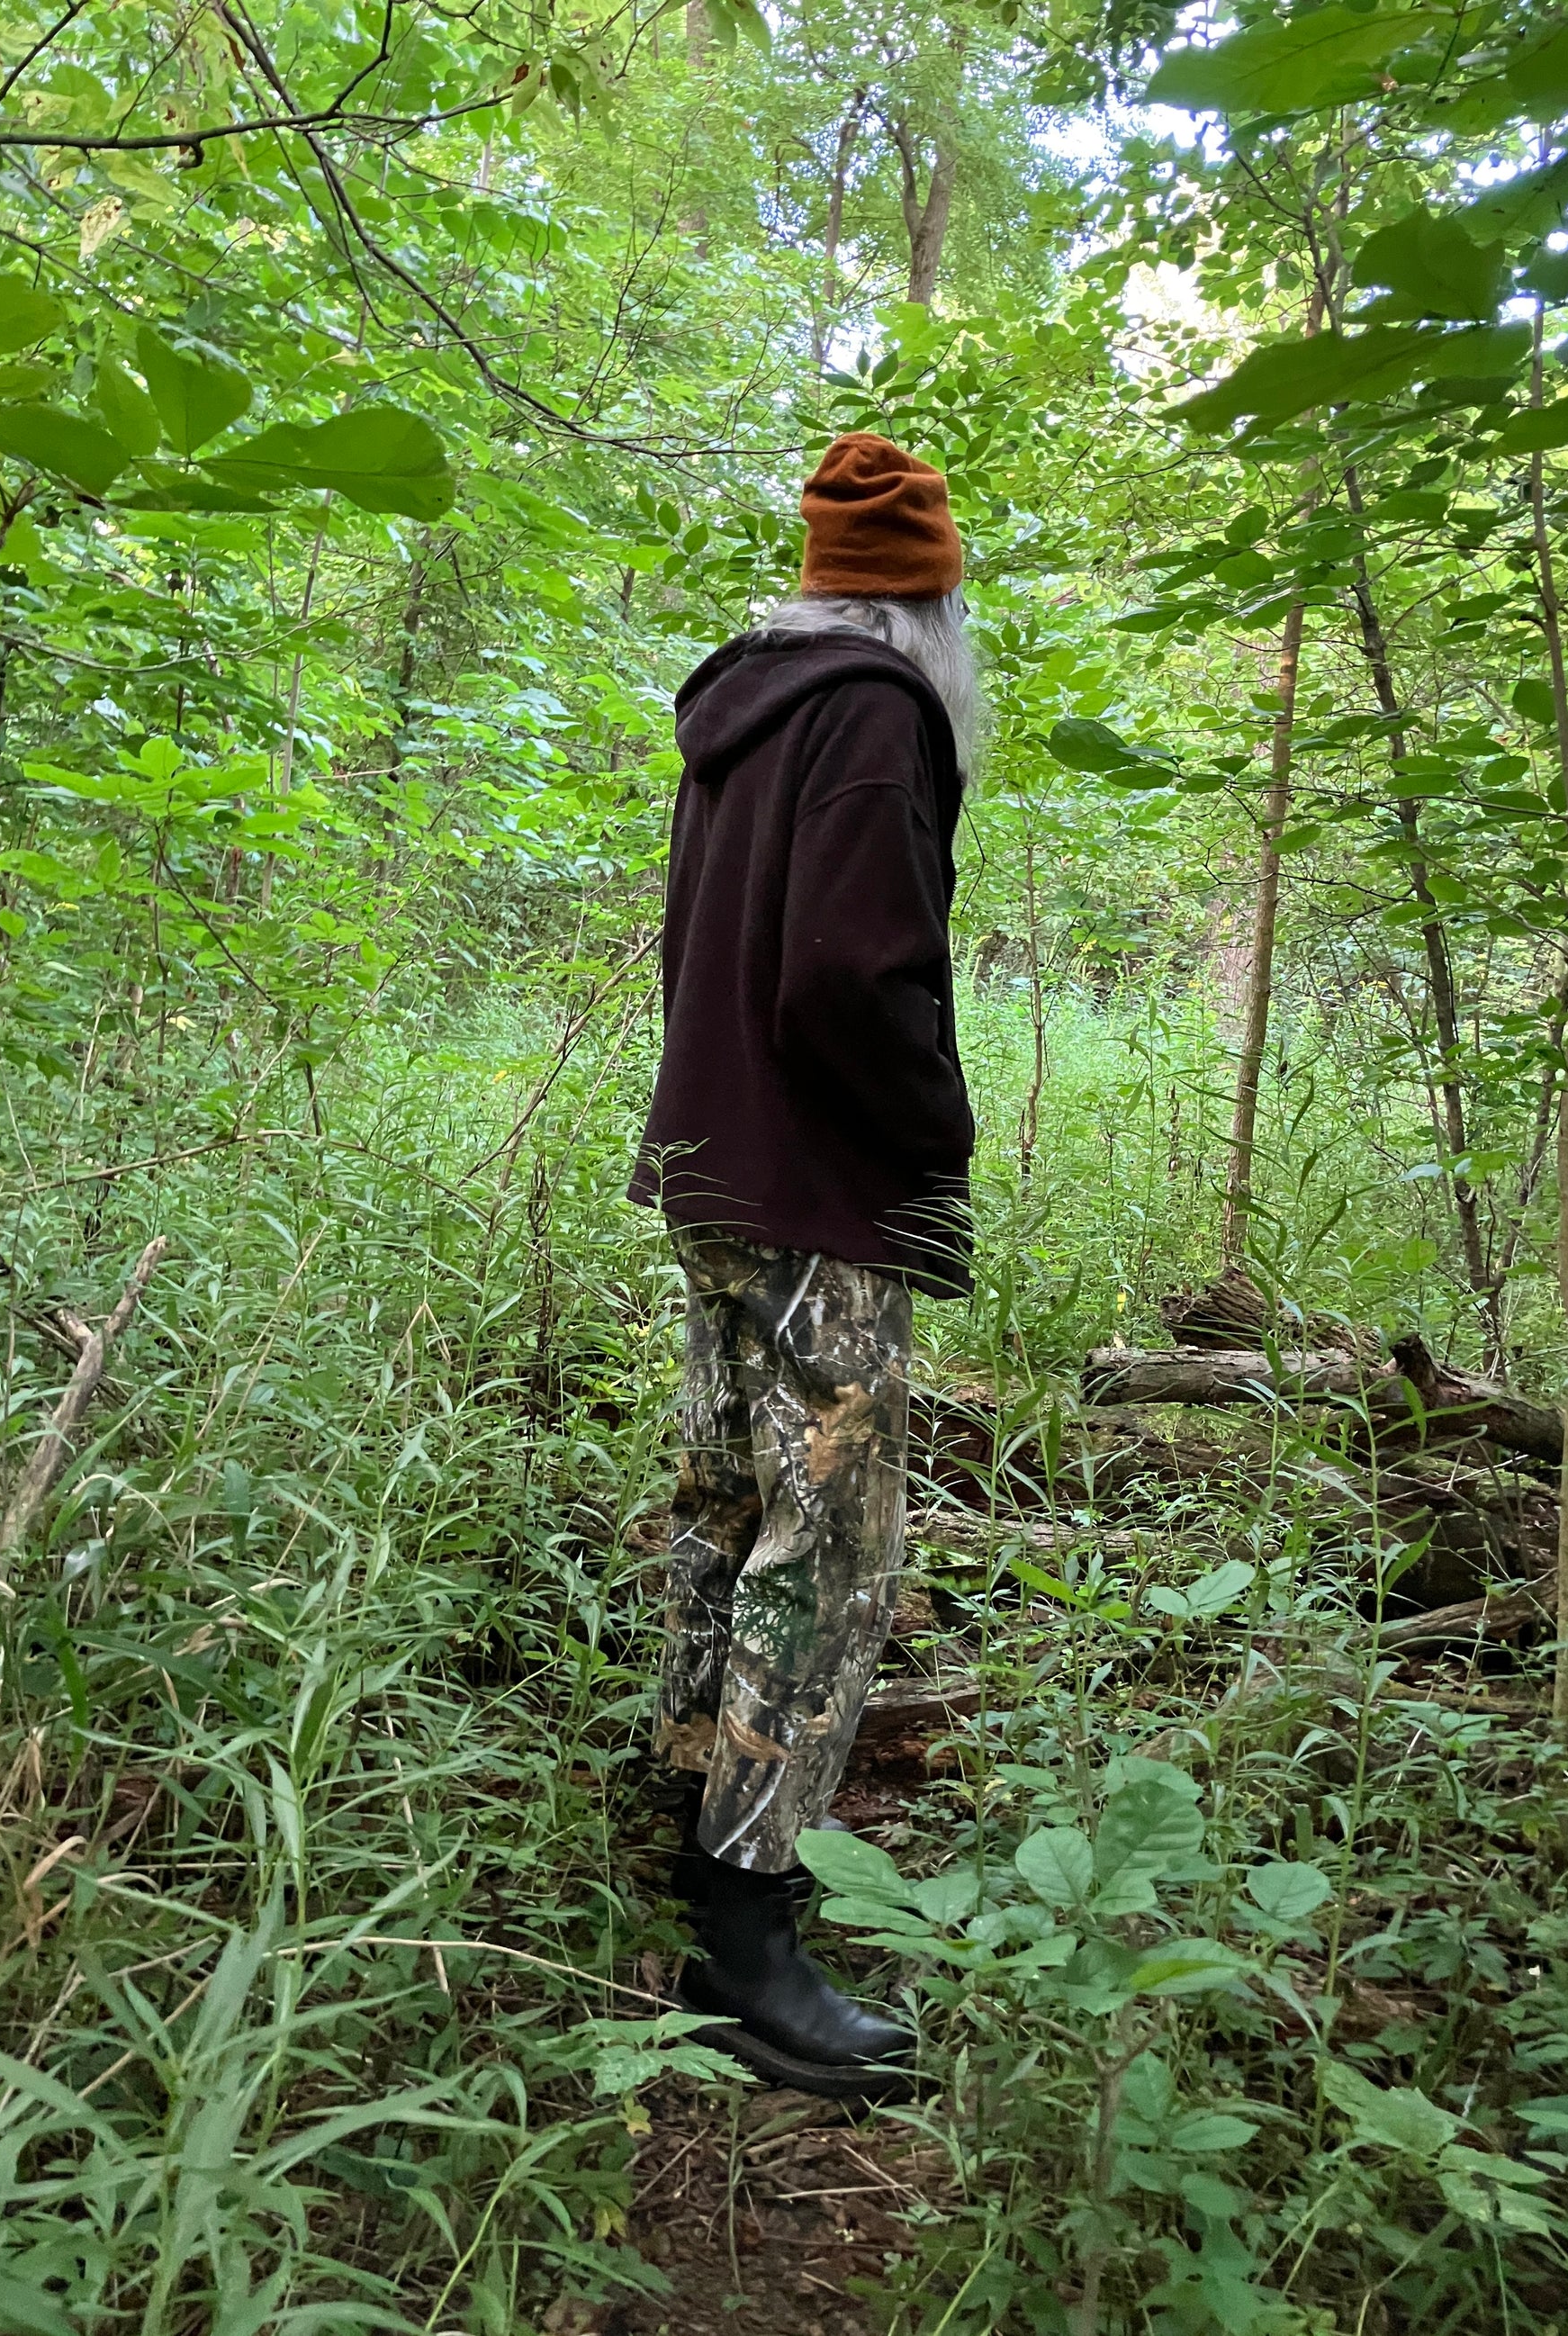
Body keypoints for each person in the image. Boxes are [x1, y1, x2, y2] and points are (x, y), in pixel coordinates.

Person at [628, 431, 979, 2094]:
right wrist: (936, 1136)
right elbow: (852, 974)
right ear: (935, 599)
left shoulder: (745, 702)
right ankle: (749, 1926)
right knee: (827, 1547)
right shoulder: (875, 711)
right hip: (823, 1179)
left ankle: (688, 1804)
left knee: (727, 1500)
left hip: (714, 1161)